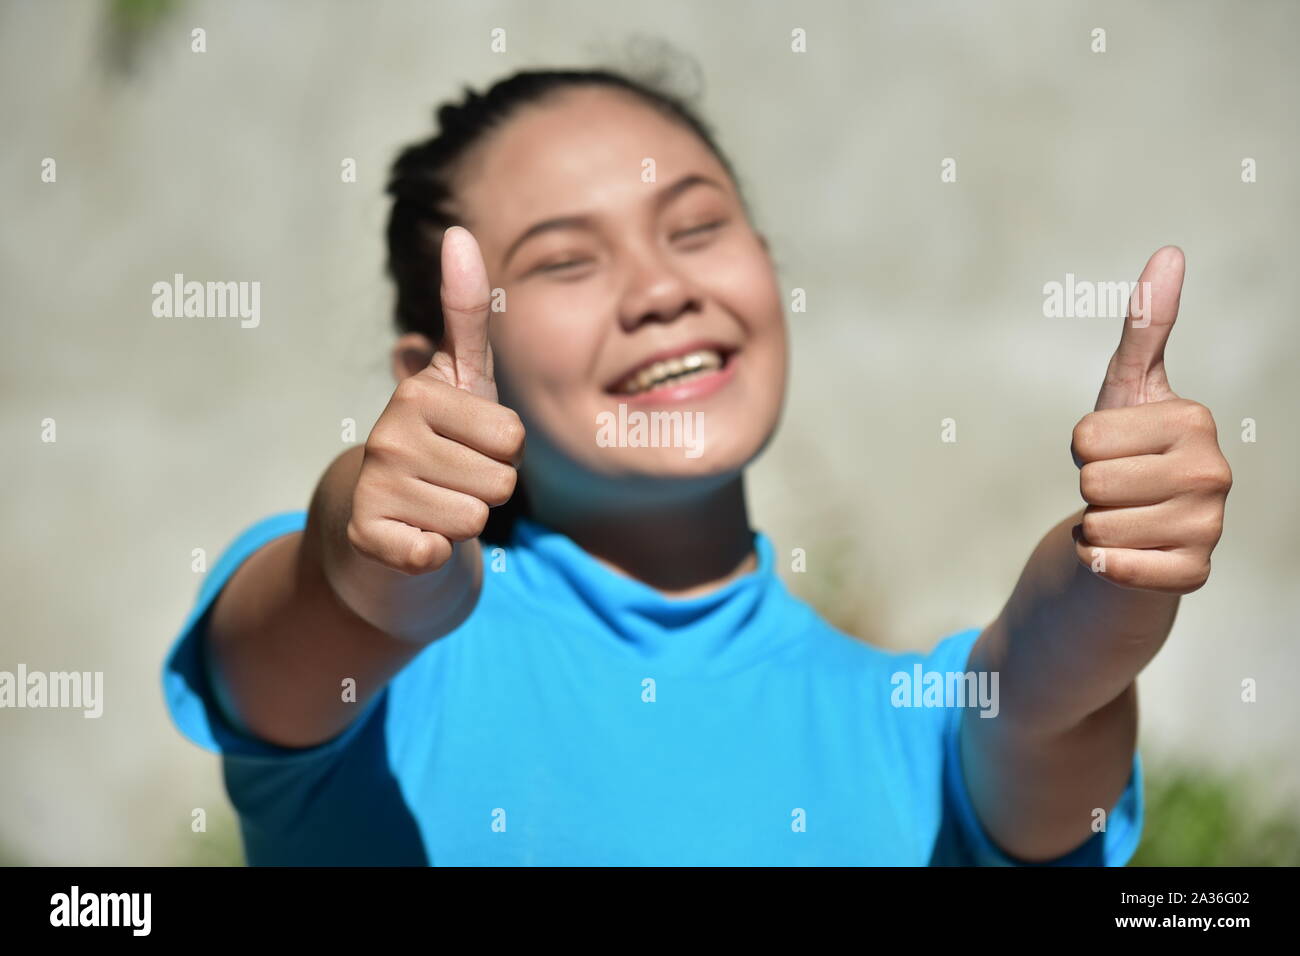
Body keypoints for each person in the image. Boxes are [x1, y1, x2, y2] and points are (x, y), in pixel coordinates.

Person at [162, 65, 1231, 866]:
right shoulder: (384, 689)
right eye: (565, 259)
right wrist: (377, 546)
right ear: (433, 368)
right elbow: (321, 607)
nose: (659, 287)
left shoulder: (924, 727)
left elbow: (1047, 686)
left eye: (698, 225)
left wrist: (1116, 558)